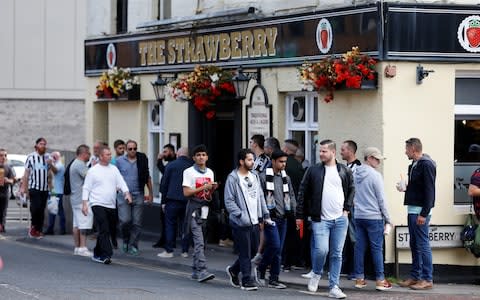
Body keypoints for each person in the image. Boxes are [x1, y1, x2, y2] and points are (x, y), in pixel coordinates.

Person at [296, 139, 354, 299]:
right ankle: (316, 272)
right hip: (320, 218)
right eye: (320, 151)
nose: (320, 154)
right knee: (322, 250)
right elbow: (302, 192)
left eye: (324, 151)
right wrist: (299, 216)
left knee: (337, 254)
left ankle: (334, 286)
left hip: (340, 220)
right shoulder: (313, 170)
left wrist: (346, 210)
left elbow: (351, 189)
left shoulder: (344, 170)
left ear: (333, 152)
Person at [224, 148, 271, 291]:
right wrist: (240, 215)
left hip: (255, 220)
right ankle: (246, 280)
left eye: (253, 159)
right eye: (250, 160)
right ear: (241, 161)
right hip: (241, 221)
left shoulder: (255, 176)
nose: (252, 162)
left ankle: (233, 270)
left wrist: (265, 214)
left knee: (252, 251)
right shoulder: (233, 178)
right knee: (245, 252)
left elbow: (260, 196)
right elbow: (229, 201)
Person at [397, 138, 436, 290]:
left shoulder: (426, 164)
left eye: (406, 148)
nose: (405, 151)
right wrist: (406, 187)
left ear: (413, 149)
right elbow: (419, 187)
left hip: (420, 212)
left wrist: (424, 213)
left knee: (422, 244)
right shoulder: (413, 164)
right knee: (414, 243)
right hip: (412, 209)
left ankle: (427, 279)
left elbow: (430, 191)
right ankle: (415, 276)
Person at [82, 146, 132, 264]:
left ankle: (97, 252)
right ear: (101, 156)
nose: (110, 156)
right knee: (104, 228)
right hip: (97, 203)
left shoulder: (114, 169)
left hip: (111, 204)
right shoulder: (93, 170)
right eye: (107, 154)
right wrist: (85, 203)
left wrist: (127, 193)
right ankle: (106, 254)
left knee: (107, 230)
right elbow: (86, 187)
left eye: (110, 154)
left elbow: (121, 182)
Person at [352, 147, 392, 291]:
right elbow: (381, 199)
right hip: (374, 216)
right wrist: (388, 219)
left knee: (359, 248)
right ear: (369, 158)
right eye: (376, 159)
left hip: (359, 215)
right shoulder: (376, 176)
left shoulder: (355, 172)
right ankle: (380, 280)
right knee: (376, 249)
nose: (378, 162)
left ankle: (359, 279)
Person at [257, 149, 296, 289]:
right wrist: (262, 218)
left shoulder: (286, 178)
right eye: (281, 162)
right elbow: (260, 199)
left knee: (278, 251)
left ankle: (274, 278)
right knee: (275, 245)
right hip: (270, 218)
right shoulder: (263, 177)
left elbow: (291, 195)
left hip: (283, 217)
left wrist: (294, 213)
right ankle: (261, 268)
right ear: (273, 161)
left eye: (285, 162)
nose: (283, 164)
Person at [182, 144, 216, 282]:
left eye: (203, 154)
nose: (201, 157)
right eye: (198, 155)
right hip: (194, 209)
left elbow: (208, 194)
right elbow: (186, 192)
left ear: (207, 157)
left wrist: (212, 189)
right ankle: (202, 270)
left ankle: (195, 271)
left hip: (205, 209)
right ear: (194, 158)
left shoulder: (210, 172)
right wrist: (203, 187)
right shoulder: (188, 172)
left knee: (201, 241)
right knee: (199, 241)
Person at [116, 140, 153, 255]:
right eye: (130, 149)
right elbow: (114, 177)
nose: (133, 151)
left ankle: (133, 245)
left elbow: (147, 177)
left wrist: (151, 194)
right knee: (125, 221)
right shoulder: (119, 161)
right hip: (124, 195)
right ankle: (126, 240)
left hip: (138, 194)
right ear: (126, 150)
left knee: (137, 222)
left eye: (135, 149)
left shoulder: (142, 160)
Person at [157, 147, 193, 258]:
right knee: (185, 226)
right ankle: (185, 251)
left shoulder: (171, 165)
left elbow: (164, 185)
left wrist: (163, 202)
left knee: (170, 225)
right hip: (188, 201)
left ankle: (169, 250)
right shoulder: (193, 166)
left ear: (178, 154)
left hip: (172, 200)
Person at [20, 137, 56, 239]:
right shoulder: (31, 157)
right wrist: (24, 188)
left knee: (41, 209)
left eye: (44, 144)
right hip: (34, 187)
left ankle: (39, 230)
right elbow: (26, 173)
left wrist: (51, 188)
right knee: (35, 208)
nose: (43, 146)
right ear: (36, 146)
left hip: (44, 188)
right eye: (41, 144)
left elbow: (51, 173)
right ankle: (33, 227)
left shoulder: (48, 157)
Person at [339, 140, 361, 280]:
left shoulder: (357, 168)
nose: (341, 152)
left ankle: (355, 270)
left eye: (343, 150)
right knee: (344, 238)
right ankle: (345, 268)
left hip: (352, 208)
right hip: (343, 207)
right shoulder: (344, 167)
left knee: (354, 239)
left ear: (351, 152)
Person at [70, 145, 94, 257]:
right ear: (84, 153)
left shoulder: (75, 163)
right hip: (81, 199)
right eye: (88, 153)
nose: (89, 155)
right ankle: (83, 247)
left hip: (75, 198)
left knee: (77, 224)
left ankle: (77, 247)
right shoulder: (80, 165)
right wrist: (93, 167)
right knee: (84, 223)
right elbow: (89, 177)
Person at [152, 143, 176, 248]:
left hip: (169, 195)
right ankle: (164, 240)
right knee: (164, 219)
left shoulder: (173, 163)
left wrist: (158, 160)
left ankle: (168, 242)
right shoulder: (170, 163)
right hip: (166, 194)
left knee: (168, 220)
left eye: (165, 152)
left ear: (171, 152)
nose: (163, 154)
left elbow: (164, 171)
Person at [45, 151, 66, 235]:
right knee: (52, 210)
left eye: (53, 156)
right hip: (53, 191)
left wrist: (50, 164)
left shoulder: (60, 164)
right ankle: (51, 228)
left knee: (59, 211)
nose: (52, 158)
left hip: (58, 191)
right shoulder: (54, 164)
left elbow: (56, 171)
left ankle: (62, 229)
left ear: (57, 157)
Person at [0, 149, 15, 233]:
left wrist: (7, 180)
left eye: (5, 155)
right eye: (1, 155)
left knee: (3, 211)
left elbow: (13, 180)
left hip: (5, 193)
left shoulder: (8, 167)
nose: (3, 157)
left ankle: (2, 226)